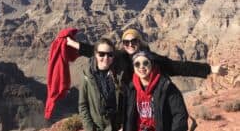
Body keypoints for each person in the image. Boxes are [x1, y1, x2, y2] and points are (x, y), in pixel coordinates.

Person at [67, 28, 227, 84]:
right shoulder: (120, 56)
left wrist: (210, 69)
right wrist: (73, 44)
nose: (130, 45)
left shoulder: (152, 58)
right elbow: (97, 52)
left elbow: (179, 67)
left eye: (133, 41)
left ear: (140, 41)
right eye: (126, 42)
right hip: (127, 102)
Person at [123, 49, 188, 131]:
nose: (141, 67)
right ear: (134, 67)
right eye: (137, 64)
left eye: (145, 63)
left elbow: (180, 115)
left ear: (152, 64)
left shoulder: (166, 87)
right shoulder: (130, 89)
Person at [79, 38, 123, 131]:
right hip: (98, 129)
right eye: (101, 54)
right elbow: (83, 105)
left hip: (117, 128)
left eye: (110, 54)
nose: (106, 58)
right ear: (95, 54)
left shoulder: (119, 74)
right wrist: (90, 129)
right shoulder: (87, 74)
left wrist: (123, 124)